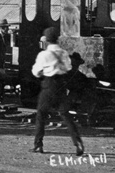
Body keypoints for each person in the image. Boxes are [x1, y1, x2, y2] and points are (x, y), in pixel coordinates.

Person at [31, 27, 83, 156]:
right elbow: (68, 67)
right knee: (65, 114)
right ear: (57, 39)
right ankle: (78, 143)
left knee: (41, 114)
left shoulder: (44, 54)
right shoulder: (63, 53)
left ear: (47, 41)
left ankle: (38, 144)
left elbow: (36, 72)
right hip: (61, 86)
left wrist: (45, 71)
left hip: (48, 86)